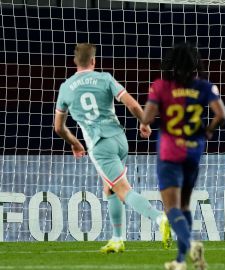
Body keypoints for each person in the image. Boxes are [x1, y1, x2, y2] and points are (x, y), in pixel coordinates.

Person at [54, 43, 170, 253]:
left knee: (123, 190)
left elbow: (58, 127)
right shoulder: (105, 78)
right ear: (93, 61)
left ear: (74, 61)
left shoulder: (65, 88)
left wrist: (75, 143)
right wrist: (143, 122)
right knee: (110, 188)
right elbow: (132, 104)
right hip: (119, 139)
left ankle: (160, 218)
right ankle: (117, 239)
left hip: (100, 146)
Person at [142, 42, 225, 270]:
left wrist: (148, 117)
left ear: (171, 65)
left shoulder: (161, 86)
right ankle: (180, 261)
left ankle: (190, 245)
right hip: (193, 150)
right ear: (194, 65)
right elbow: (222, 114)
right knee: (185, 206)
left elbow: (148, 117)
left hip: (170, 151)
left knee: (171, 208)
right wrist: (208, 130)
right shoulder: (204, 86)